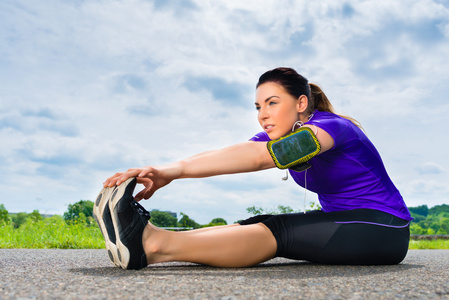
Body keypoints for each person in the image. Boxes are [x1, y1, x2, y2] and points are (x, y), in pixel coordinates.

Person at [93, 67, 412, 270]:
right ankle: (148, 238)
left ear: (301, 104)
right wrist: (166, 170)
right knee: (260, 222)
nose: (262, 114)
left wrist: (173, 173)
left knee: (280, 232)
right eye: (258, 106)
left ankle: (150, 244)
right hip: (346, 221)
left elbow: (263, 158)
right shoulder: (279, 134)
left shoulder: (331, 127)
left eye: (273, 103)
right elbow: (234, 153)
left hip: (384, 228)